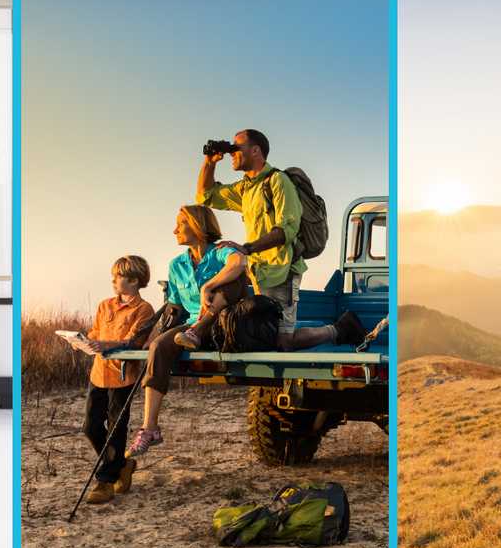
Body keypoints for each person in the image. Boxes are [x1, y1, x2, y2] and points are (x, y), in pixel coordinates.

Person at [195, 128, 366, 351]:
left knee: (283, 342)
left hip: (282, 271)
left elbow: (287, 230)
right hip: (260, 272)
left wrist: (247, 248)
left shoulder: (277, 181)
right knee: (267, 335)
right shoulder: (246, 188)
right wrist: (210, 162)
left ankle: (340, 330)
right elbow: (205, 196)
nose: (232, 153)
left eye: (236, 148)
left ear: (255, 150)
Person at [126, 206, 247, 457]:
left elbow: (239, 262)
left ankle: (198, 330)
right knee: (159, 346)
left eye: (180, 224)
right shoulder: (177, 264)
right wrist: (153, 337)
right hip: (189, 326)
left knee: (228, 285)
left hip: (225, 324)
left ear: (198, 225)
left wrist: (209, 286)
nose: (174, 230)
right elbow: (176, 307)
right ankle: (150, 429)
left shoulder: (222, 251)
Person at [76, 256, 156, 504]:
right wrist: (83, 341)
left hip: (123, 375)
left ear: (133, 280)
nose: (112, 281)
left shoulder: (144, 310)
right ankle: (122, 464)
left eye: (117, 277)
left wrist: (106, 344)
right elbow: (96, 333)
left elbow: (134, 342)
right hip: (98, 373)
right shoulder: (104, 305)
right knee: (90, 426)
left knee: (116, 427)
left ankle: (106, 481)